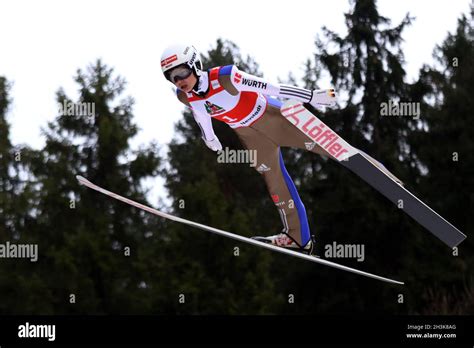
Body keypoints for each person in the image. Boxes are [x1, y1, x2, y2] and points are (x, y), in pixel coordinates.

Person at [161, 44, 392, 254]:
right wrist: (209, 137)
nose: (178, 80)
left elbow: (272, 88)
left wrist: (311, 97)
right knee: (274, 179)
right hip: (249, 135)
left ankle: (378, 172)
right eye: (172, 77)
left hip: (273, 117)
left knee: (329, 145)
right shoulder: (184, 96)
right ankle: (297, 237)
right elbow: (200, 113)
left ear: (194, 65)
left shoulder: (225, 76)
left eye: (181, 72)